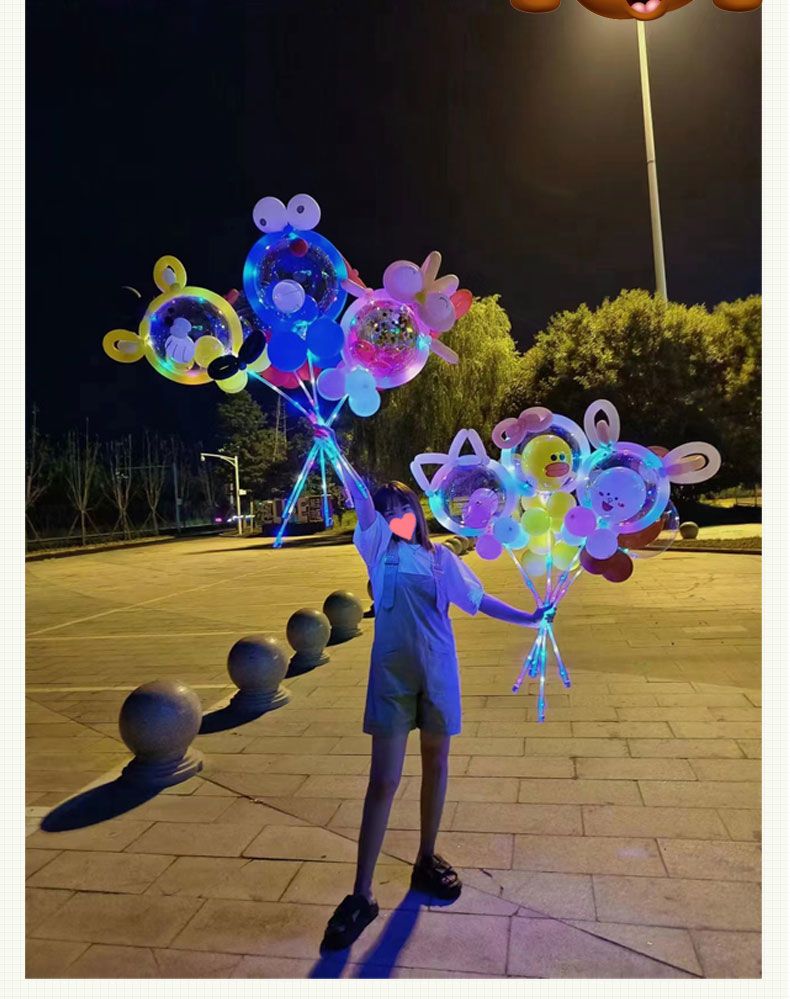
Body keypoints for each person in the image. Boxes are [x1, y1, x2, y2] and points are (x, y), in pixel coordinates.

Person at [317, 430, 546, 951]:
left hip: (439, 675)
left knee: (436, 766)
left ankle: (426, 857)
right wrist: (334, 451)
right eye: (387, 510)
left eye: (404, 506)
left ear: (419, 512)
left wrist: (530, 617)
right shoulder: (378, 549)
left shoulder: (443, 559)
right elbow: (360, 500)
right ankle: (362, 893)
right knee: (383, 781)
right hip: (391, 680)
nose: (397, 514)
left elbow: (479, 601)